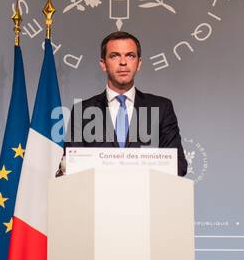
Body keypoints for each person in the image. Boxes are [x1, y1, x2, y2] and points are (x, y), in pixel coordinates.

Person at [61, 31, 187, 177]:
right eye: (114, 56)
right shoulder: (81, 111)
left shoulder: (162, 108)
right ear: (103, 64)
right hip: (99, 197)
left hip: (146, 197)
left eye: (130, 56)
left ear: (139, 63)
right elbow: (70, 166)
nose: (123, 62)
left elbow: (178, 165)